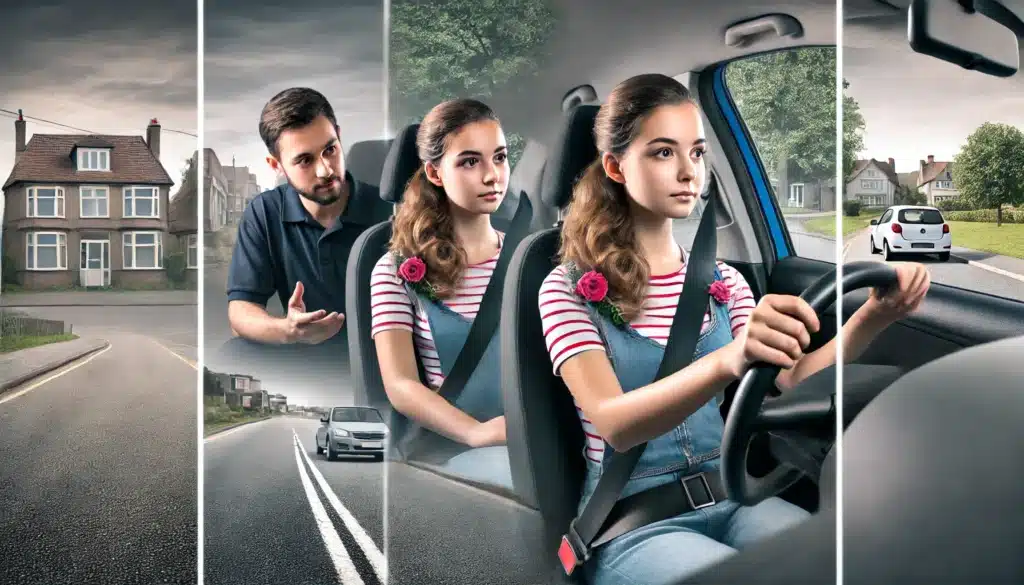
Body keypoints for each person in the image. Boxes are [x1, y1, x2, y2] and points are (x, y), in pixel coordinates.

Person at [538, 73, 931, 585]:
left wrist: (874, 316)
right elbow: (614, 424)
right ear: (615, 167)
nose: (687, 171)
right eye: (662, 153)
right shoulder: (565, 289)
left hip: (733, 492)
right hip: (634, 520)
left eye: (697, 153)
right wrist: (727, 359)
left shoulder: (723, 281)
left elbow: (792, 379)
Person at [369, 98, 514, 489]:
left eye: (499, 157)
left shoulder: (531, 260)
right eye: (470, 161)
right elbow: (400, 384)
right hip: (459, 449)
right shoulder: (395, 272)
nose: (491, 175)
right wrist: (475, 433)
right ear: (434, 172)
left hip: (539, 438)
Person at [220, 88, 392, 374]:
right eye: (305, 160)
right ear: (276, 165)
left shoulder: (391, 210)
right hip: (304, 357)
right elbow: (241, 312)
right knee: (231, 356)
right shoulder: (264, 213)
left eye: (330, 150)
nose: (325, 170)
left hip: (383, 358)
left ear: (338, 134)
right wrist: (288, 331)